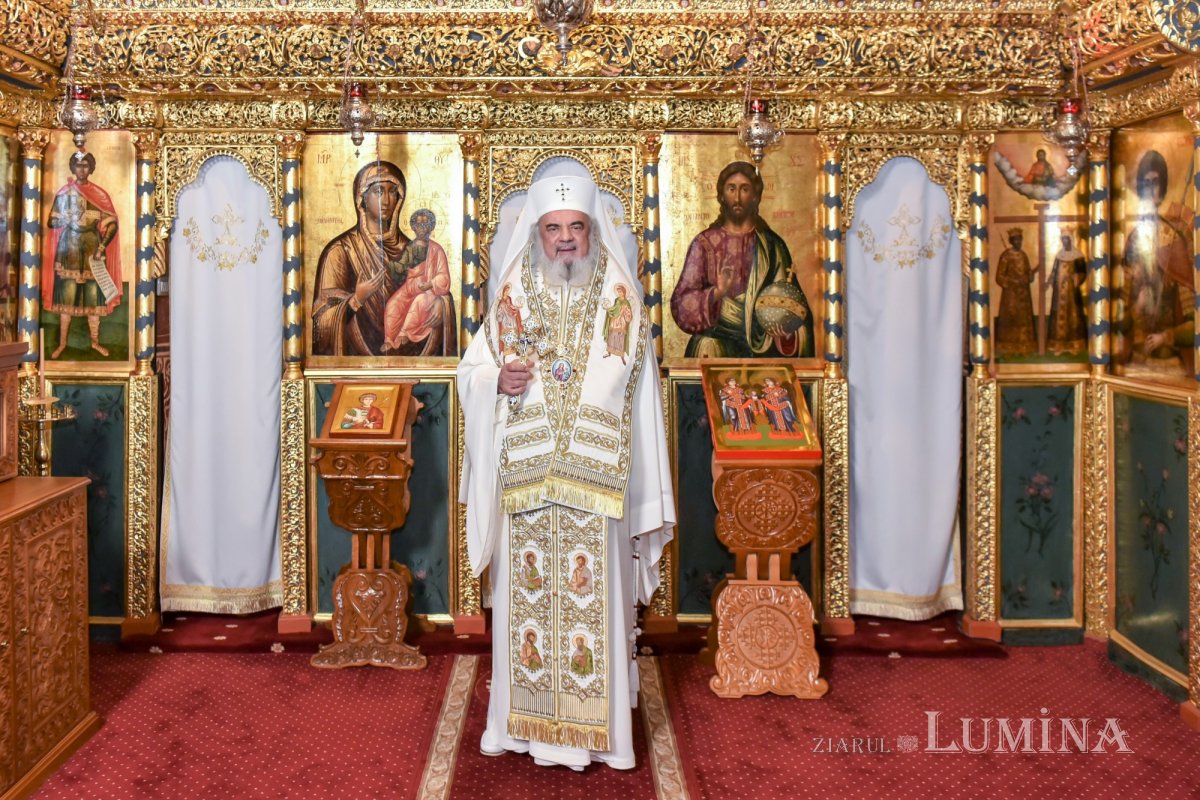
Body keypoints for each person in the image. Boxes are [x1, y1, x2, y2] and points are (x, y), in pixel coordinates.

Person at [458, 173, 674, 772]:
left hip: (595, 482)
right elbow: (472, 370)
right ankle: (522, 729)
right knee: (526, 605)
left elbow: (637, 393)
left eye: (575, 227)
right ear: (537, 233)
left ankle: (595, 738)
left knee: (592, 608)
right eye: (553, 229)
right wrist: (496, 380)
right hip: (526, 478)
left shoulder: (619, 299)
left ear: (591, 230)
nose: (565, 239)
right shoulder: (513, 293)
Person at [670, 161, 813, 358]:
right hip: (715, 347)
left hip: (763, 350)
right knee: (708, 348)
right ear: (721, 195)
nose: (737, 197)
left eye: (745, 189)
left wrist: (787, 332)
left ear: (755, 196)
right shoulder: (704, 244)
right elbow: (681, 303)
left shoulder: (772, 246)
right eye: (731, 189)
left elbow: (795, 308)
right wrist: (716, 293)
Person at [312, 162, 457, 357]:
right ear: (362, 197)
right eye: (378, 191)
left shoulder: (414, 248)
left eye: (392, 192)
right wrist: (356, 299)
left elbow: (436, 282)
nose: (387, 200)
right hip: (357, 366)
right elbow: (321, 322)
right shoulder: (341, 251)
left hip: (413, 361)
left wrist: (442, 304)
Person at [1116, 149, 1194, 375]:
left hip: (1171, 363)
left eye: (1156, 182)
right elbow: (1118, 321)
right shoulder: (1134, 241)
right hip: (1135, 362)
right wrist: (1137, 307)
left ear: (1163, 186)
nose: (1151, 190)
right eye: (1146, 183)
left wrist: (1166, 337)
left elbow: (1194, 322)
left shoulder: (1174, 240)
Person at [42, 151, 123, 358]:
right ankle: (62, 344)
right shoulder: (65, 193)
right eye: (78, 165)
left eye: (85, 165)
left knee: (93, 297)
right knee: (67, 297)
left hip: (92, 248)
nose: (82, 169)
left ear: (91, 168)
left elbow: (112, 224)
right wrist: (66, 218)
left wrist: (102, 247)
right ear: (73, 168)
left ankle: (95, 342)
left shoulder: (99, 195)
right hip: (68, 248)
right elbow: (51, 221)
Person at [382, 209, 457, 354]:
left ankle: (404, 334)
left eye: (425, 224)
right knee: (393, 304)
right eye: (418, 224)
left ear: (431, 227)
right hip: (410, 287)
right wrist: (390, 265)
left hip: (429, 291)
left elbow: (444, 277)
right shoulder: (410, 247)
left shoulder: (437, 250)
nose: (422, 228)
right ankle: (390, 340)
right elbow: (402, 266)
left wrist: (430, 284)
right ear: (413, 227)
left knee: (419, 301)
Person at [994, 227, 1036, 355]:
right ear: (1011, 241)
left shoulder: (1023, 255)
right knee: (1011, 317)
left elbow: (1028, 273)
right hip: (1010, 296)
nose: (1018, 242)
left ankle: (1025, 346)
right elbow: (999, 276)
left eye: (1020, 239)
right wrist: (1013, 282)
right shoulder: (1006, 256)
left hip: (1024, 295)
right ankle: (1008, 347)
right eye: (1016, 239)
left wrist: (1030, 276)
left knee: (1024, 318)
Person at [1047, 232, 1087, 353]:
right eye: (1063, 239)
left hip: (1071, 293)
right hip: (1059, 292)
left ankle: (1074, 345)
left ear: (1070, 240)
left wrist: (1078, 278)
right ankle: (1058, 345)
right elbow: (1054, 270)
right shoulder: (1059, 255)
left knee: (1073, 315)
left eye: (1066, 239)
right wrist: (1049, 281)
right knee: (1058, 316)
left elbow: (1083, 271)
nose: (1065, 242)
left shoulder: (1078, 255)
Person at [602, 284, 633, 364]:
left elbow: (629, 313)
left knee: (620, 338)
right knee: (612, 336)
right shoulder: (617, 300)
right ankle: (609, 352)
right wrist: (609, 310)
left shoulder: (626, 302)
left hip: (622, 322)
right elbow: (614, 308)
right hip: (614, 320)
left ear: (624, 292)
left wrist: (626, 312)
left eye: (621, 292)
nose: (619, 293)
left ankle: (622, 356)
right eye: (618, 292)